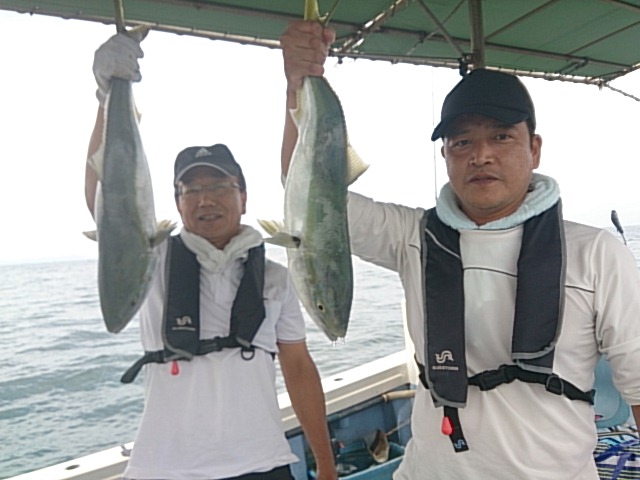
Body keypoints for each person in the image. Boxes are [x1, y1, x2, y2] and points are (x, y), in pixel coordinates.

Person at [279, 20, 640, 480]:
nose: (480, 155)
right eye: (462, 142)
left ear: (534, 148)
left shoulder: (597, 254)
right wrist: (298, 84)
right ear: (445, 156)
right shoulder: (412, 235)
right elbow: (309, 195)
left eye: (501, 137)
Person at [85, 31, 337, 480]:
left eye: (219, 186)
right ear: (176, 203)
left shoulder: (276, 277)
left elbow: (299, 368)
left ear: (243, 196)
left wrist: (326, 462)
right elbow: (108, 202)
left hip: (264, 464)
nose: (205, 199)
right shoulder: (151, 263)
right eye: (191, 189)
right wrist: (108, 97)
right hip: (164, 469)